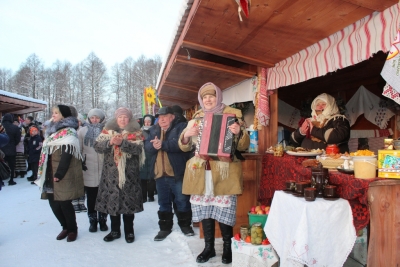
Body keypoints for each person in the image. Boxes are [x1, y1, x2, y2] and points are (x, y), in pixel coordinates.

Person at [179, 82, 250, 264]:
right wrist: (187, 134)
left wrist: (239, 132)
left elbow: (243, 146)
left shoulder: (232, 115)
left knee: (224, 210)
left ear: (218, 97)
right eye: (204, 97)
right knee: (205, 210)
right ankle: (209, 248)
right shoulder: (196, 118)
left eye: (211, 96)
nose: (208, 99)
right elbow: (184, 145)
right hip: (202, 171)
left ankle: (227, 248)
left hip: (224, 170)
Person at [34, 105, 84, 242]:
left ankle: (73, 229)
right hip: (49, 171)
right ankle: (65, 227)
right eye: (53, 113)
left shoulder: (69, 132)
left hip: (62, 173)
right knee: (53, 203)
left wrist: (60, 173)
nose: (53, 115)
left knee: (64, 203)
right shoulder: (51, 131)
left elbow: (67, 154)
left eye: (56, 113)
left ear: (64, 115)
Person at [94, 107, 144, 243]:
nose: (122, 119)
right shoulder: (106, 131)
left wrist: (122, 143)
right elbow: (97, 146)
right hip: (110, 174)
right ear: (116, 119)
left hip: (129, 174)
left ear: (130, 119)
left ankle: (129, 231)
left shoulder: (136, 132)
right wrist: (110, 142)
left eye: (125, 117)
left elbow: (138, 150)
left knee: (128, 204)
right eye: (120, 117)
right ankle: (115, 231)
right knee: (112, 203)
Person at [144, 106, 193, 241]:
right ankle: (164, 228)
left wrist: (163, 144)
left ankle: (185, 226)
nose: (162, 120)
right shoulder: (154, 129)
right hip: (160, 173)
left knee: (182, 200)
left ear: (172, 117)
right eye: (160, 117)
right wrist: (153, 146)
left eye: (165, 117)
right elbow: (147, 146)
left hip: (177, 172)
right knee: (163, 202)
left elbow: (181, 146)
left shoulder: (181, 127)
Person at [77, 108, 108, 233]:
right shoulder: (82, 131)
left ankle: (103, 220)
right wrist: (81, 162)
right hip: (88, 167)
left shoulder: (106, 131)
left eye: (97, 117)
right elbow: (79, 149)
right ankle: (93, 220)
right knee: (91, 197)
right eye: (92, 117)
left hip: (104, 167)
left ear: (101, 119)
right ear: (89, 118)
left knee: (104, 196)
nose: (95, 120)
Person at [70, 108, 87, 212]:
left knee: (82, 182)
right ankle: (74, 202)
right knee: (73, 181)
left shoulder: (84, 131)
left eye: (79, 121)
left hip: (81, 159)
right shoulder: (70, 131)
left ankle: (81, 202)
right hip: (72, 158)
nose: (78, 123)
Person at [139, 114, 156, 203]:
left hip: (152, 154)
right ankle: (143, 196)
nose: (147, 123)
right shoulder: (139, 131)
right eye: (145, 121)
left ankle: (151, 195)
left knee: (151, 176)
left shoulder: (155, 130)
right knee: (142, 177)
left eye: (149, 121)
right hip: (142, 155)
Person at [1, 113, 21, 186]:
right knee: (12, 165)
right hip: (11, 149)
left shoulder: (1, 126)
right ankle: (11, 179)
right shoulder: (15, 127)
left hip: (1, 149)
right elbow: (17, 139)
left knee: (1, 165)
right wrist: (13, 144)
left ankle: (1, 181)